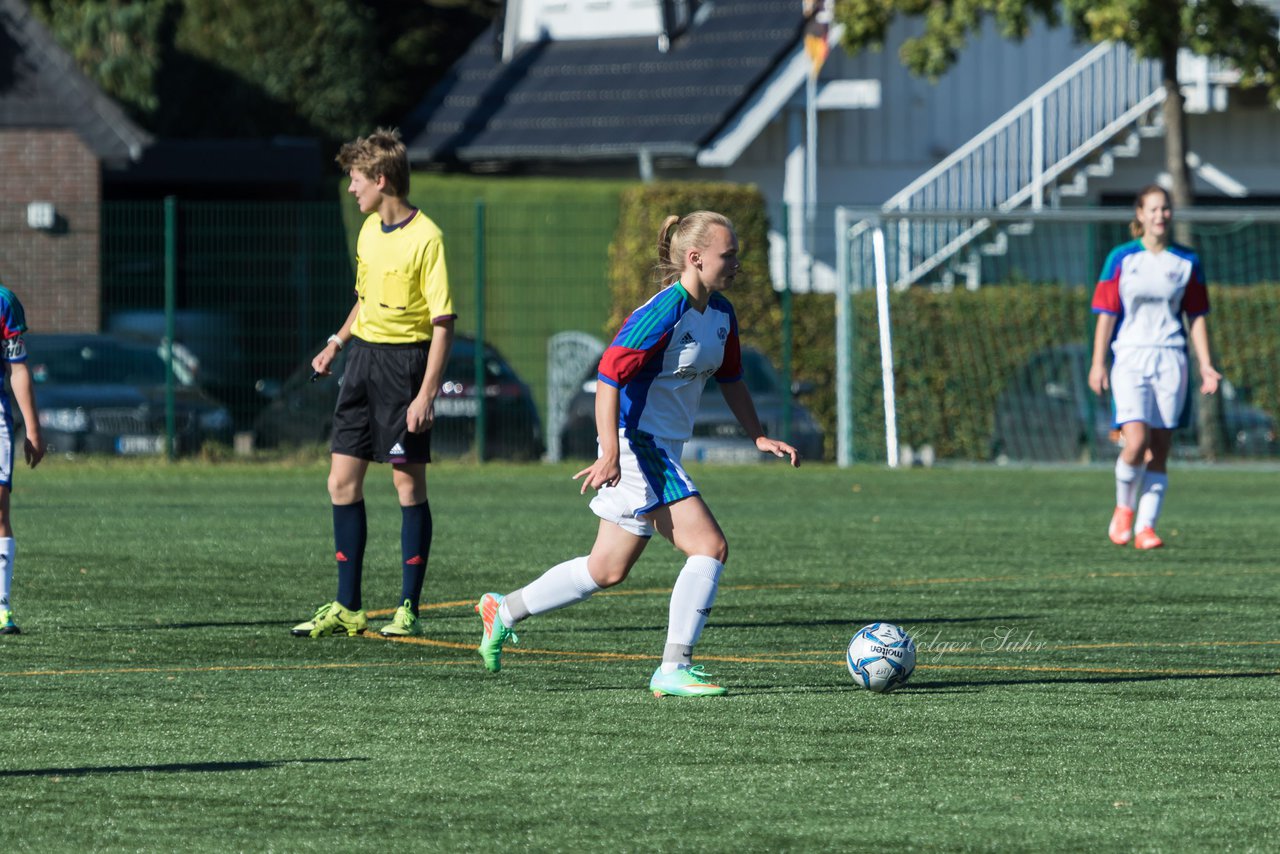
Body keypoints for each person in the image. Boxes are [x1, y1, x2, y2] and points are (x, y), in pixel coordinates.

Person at [475, 211, 800, 697]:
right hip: (638, 443)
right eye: (727, 255)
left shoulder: (721, 314)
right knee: (709, 547)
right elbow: (608, 376)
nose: (736, 263)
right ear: (695, 258)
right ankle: (673, 667)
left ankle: (505, 609)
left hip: (661, 446)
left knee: (606, 568)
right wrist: (610, 452)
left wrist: (755, 434)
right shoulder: (662, 311)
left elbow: (731, 378)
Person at [292, 128, 456, 638]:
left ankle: (407, 608)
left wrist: (426, 393)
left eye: (356, 180)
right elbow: (364, 299)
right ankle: (349, 606)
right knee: (340, 481)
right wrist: (337, 343)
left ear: (381, 180)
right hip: (361, 362)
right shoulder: (366, 232)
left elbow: (443, 322)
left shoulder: (427, 237)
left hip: (406, 368)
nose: (350, 189)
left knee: (406, 484)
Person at [1088, 184, 1220, 550]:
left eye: (1165, 209)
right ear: (1140, 214)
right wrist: (1098, 363)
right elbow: (1106, 314)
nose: (1160, 215)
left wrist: (1206, 365)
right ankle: (1123, 508)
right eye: (1153, 209)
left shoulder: (1186, 261)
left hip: (1170, 358)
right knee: (1136, 441)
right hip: (1129, 357)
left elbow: (1196, 316)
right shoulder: (1121, 258)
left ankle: (1146, 527)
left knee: (1160, 446)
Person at [0, 284, 45, 635]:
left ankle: (1, 608)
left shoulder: (4, 301)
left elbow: (17, 368)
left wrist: (33, 429)